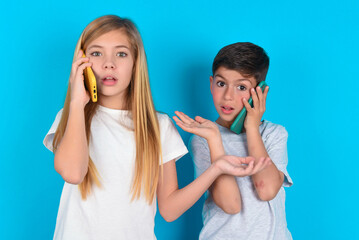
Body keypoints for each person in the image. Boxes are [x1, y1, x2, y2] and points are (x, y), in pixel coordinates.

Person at [43, 16, 270, 240]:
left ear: (135, 63)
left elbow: (169, 210)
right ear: (81, 62)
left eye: (121, 54)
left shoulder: (157, 126)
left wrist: (216, 169)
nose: (108, 63)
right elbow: (73, 173)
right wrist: (75, 102)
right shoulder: (71, 117)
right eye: (96, 53)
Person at [173, 42, 293, 239]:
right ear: (211, 84)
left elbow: (267, 190)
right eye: (221, 84)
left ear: (260, 93)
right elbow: (230, 204)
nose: (228, 96)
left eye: (241, 87)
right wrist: (214, 140)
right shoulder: (204, 139)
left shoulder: (274, 134)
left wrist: (252, 128)